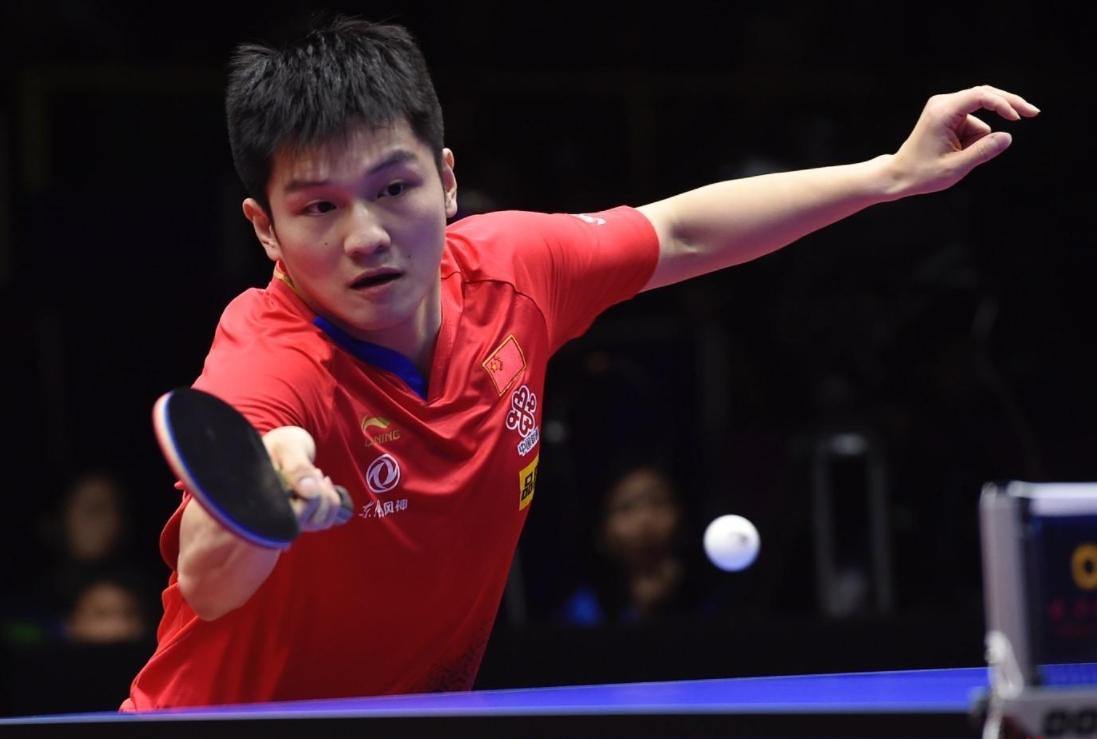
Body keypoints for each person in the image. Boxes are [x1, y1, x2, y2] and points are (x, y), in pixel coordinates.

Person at [122, 16, 1037, 709]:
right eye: (319, 208)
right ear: (266, 229)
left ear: (446, 179)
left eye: (393, 188)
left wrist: (888, 174)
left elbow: (679, 231)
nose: (366, 235)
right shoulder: (270, 353)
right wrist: (264, 502)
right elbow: (208, 571)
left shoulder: (512, 272)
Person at [562, 465, 712, 625]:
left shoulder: (710, 600)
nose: (645, 520)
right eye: (626, 507)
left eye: (658, 502)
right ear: (602, 533)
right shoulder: (583, 611)